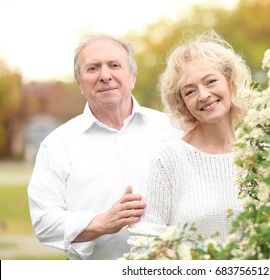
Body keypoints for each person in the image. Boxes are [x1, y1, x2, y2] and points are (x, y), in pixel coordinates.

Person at [27, 33, 180, 260]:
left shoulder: (174, 130)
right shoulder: (57, 144)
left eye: (114, 65)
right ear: (80, 84)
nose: (105, 75)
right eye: (93, 68)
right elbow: (44, 222)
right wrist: (101, 222)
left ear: (132, 77)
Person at [127, 31, 251, 251]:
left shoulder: (261, 153)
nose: (203, 95)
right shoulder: (168, 160)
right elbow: (145, 243)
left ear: (230, 82)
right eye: (190, 91)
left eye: (211, 81)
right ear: (182, 103)